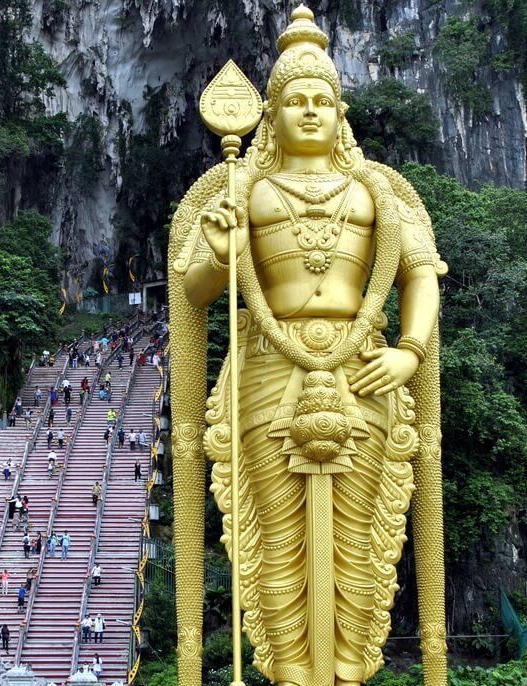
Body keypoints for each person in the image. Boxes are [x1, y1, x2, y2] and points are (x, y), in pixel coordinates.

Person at [167, 8, 446, 685]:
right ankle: (291, 674)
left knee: (359, 540)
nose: (311, 111)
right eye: (296, 100)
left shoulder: (375, 190)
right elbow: (194, 286)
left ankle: (349, 672)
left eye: (322, 99)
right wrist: (225, 245)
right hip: (268, 367)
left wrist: (408, 351)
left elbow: (422, 274)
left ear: (341, 110)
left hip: (363, 370)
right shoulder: (244, 187)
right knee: (277, 544)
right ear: (272, 112)